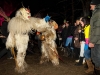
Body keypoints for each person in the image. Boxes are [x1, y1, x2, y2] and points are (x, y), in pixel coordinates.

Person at [89, 0, 100, 75]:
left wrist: (92, 41)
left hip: (97, 41)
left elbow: (97, 28)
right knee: (95, 58)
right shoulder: (95, 13)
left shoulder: (98, 13)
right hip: (97, 40)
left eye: (91, 5)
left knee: (97, 58)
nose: (90, 7)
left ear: (94, 5)